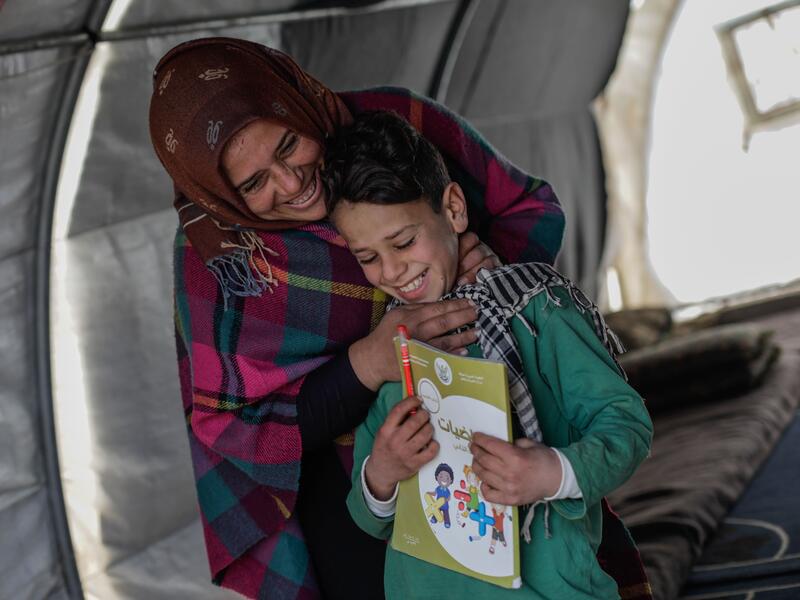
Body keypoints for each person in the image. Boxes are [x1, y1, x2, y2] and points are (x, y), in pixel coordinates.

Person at [148, 37, 568, 600]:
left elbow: (529, 206)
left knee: (551, 572)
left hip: (497, 426)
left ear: (295, 104)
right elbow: (235, 428)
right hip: (349, 490)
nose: (291, 183)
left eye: (290, 145)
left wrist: (485, 260)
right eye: (253, 184)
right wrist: (369, 362)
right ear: (220, 192)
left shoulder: (394, 125)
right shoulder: (214, 259)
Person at [324, 110, 653, 599]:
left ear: (454, 209)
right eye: (368, 258)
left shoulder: (535, 310)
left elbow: (627, 426)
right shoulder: (397, 346)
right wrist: (382, 473)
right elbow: (368, 517)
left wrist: (551, 473)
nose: (391, 270)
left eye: (404, 241)